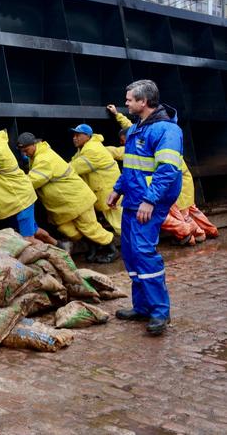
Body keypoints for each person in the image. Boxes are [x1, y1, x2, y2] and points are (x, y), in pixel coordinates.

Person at [107, 80, 183, 336]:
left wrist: (150, 200)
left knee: (143, 252)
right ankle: (142, 306)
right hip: (134, 201)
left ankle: (160, 312)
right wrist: (118, 189)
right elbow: (131, 166)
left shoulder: (167, 131)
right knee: (130, 253)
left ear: (144, 102)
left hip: (148, 204)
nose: (125, 103)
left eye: (129, 99)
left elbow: (168, 170)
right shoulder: (137, 129)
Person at [107, 104, 218, 245]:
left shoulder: (148, 142)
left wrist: (98, 149)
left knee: (184, 213)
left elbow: (118, 150)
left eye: (124, 142)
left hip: (177, 183)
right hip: (178, 181)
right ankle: (208, 231)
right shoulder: (156, 135)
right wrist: (117, 114)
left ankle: (198, 234)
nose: (125, 144)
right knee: (189, 210)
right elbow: (130, 127)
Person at [17, 133, 117, 262]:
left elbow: (33, 180)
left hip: (77, 199)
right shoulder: (36, 156)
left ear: (34, 144)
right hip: (64, 204)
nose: (25, 154)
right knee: (68, 229)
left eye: (26, 150)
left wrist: (14, 181)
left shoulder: (44, 159)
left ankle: (111, 249)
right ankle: (93, 246)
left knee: (89, 227)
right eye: (22, 151)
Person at [70, 123, 122, 235]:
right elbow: (74, 161)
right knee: (121, 223)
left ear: (87, 136)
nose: (74, 138)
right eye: (74, 135)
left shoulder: (92, 150)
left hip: (110, 193)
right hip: (108, 191)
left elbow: (73, 168)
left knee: (120, 225)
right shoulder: (85, 148)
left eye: (78, 135)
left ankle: (139, 249)